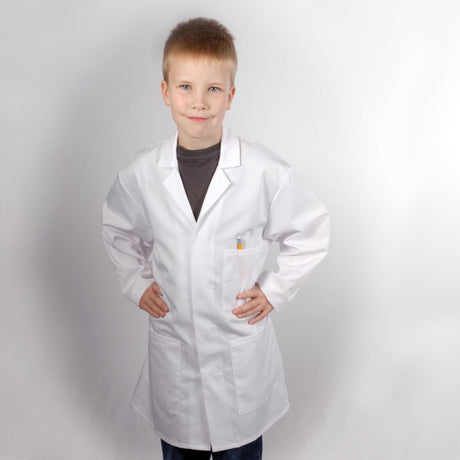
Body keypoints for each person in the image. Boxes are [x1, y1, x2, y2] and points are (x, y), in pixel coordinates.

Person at [101, 17, 330, 460]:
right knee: (179, 449)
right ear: (165, 91)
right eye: (185, 87)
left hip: (238, 361)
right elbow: (118, 229)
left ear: (230, 95)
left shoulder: (264, 172)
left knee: (239, 450)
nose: (199, 102)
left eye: (213, 89)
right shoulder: (142, 174)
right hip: (176, 357)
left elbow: (311, 230)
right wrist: (135, 282)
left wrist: (274, 290)